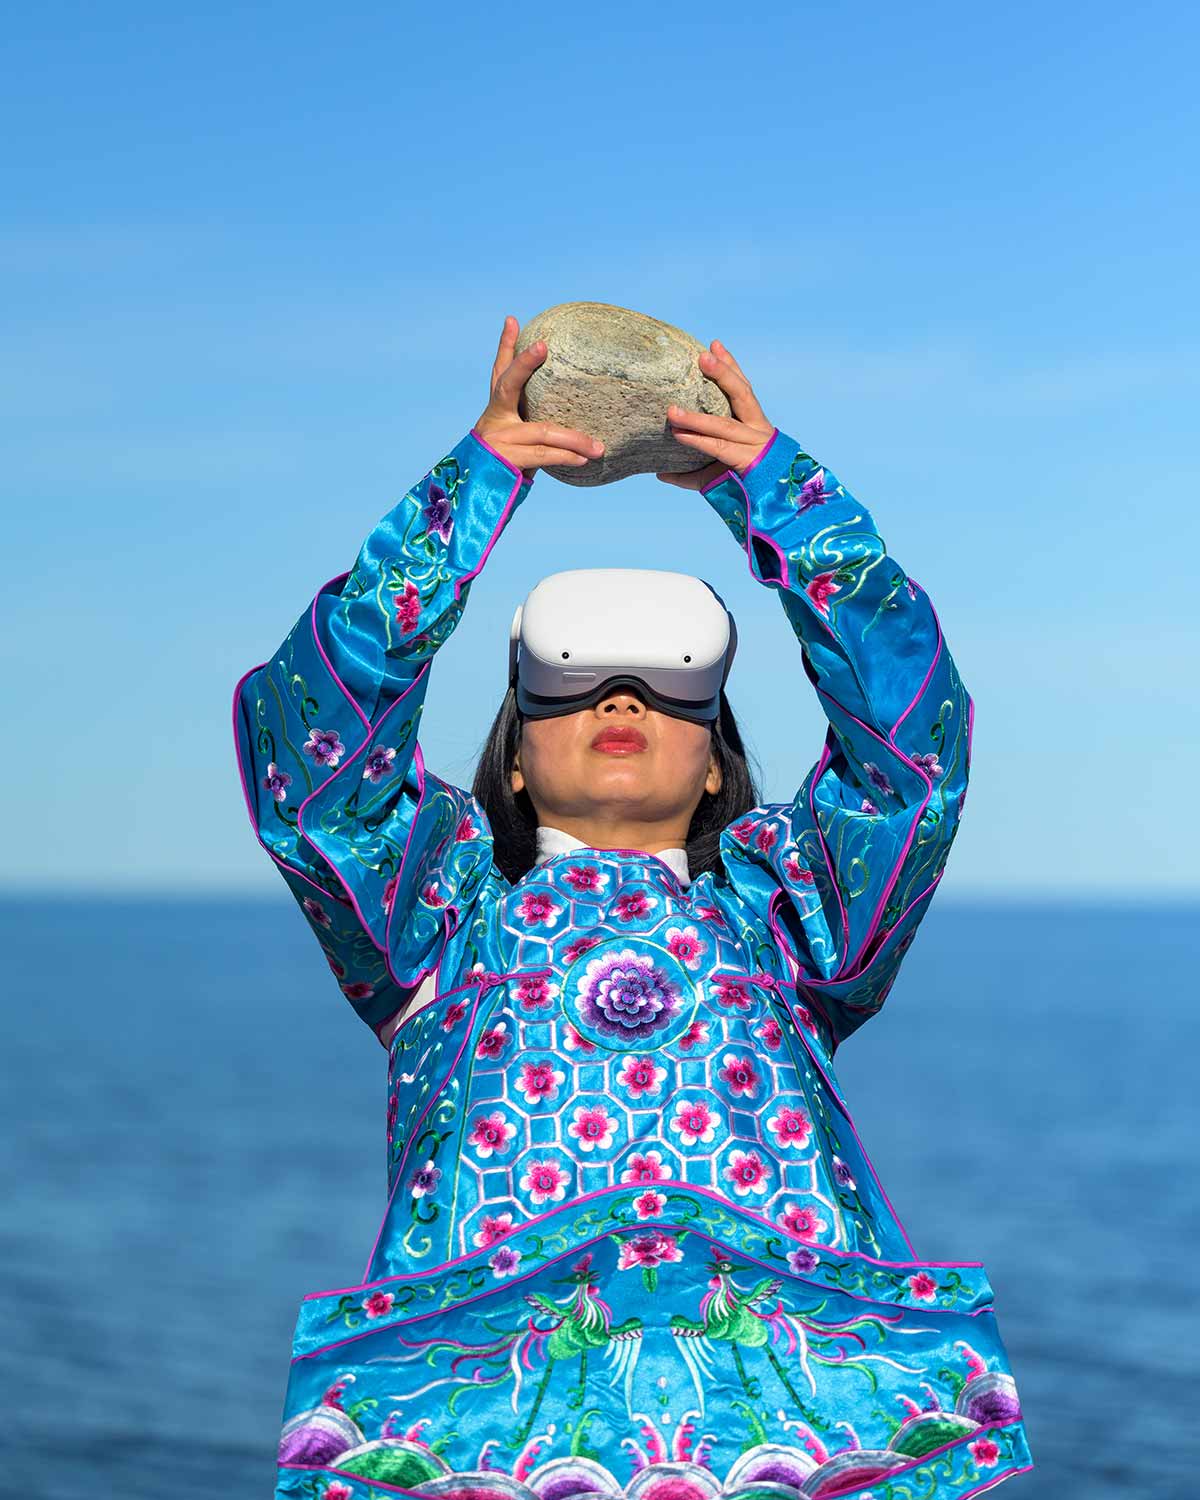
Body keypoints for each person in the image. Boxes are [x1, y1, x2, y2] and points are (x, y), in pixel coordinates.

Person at [233, 316, 1032, 1498]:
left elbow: (915, 753)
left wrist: (779, 496)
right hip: (478, 1445)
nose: (620, 701)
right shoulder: (436, 928)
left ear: (717, 761)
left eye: (668, 692)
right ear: (511, 757)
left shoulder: (794, 920)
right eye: (575, 687)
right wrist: (472, 486)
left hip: (799, 1447)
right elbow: (312, 756)